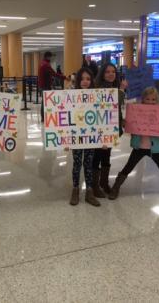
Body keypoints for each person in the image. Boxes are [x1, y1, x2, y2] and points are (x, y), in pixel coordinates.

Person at [109, 87, 159, 199]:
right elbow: (130, 125)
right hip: (139, 147)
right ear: (143, 100)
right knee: (128, 167)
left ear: (157, 101)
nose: (150, 102)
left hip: (155, 149)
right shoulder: (137, 111)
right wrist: (125, 122)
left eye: (153, 99)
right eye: (147, 99)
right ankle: (116, 187)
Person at [92, 63, 127, 198]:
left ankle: (103, 182)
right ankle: (96, 185)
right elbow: (114, 101)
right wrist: (122, 90)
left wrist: (121, 120)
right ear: (102, 74)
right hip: (99, 130)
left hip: (111, 129)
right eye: (107, 72)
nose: (111, 74)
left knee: (106, 156)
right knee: (98, 157)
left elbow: (116, 109)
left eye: (113, 71)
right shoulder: (100, 89)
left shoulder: (114, 87)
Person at [69, 68, 100, 207]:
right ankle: (75, 189)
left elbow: (102, 118)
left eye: (88, 79)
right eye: (82, 79)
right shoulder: (71, 96)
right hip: (76, 137)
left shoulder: (98, 96)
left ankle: (89, 191)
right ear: (77, 81)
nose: (85, 82)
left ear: (92, 81)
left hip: (90, 136)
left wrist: (104, 138)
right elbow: (65, 118)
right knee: (76, 164)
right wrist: (64, 139)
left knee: (88, 164)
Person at [38, 51, 66, 122]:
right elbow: (53, 73)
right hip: (45, 86)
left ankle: (43, 117)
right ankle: (43, 118)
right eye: (51, 57)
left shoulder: (42, 63)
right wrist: (63, 77)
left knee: (44, 102)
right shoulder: (46, 65)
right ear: (48, 56)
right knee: (44, 102)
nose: (51, 58)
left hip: (42, 85)